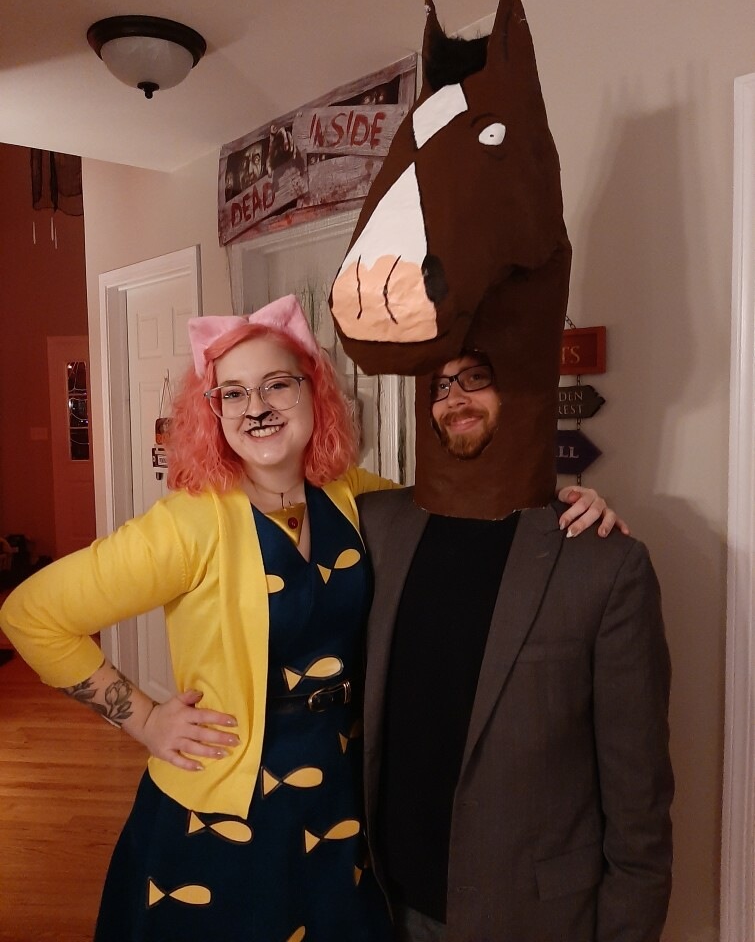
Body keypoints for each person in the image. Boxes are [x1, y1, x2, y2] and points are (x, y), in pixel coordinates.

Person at [0, 298, 621, 942]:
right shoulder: (190, 523)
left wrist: (557, 506)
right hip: (222, 811)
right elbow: (31, 614)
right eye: (232, 393)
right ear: (212, 414)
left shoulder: (356, 496)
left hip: (340, 798)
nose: (256, 407)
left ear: (313, 392)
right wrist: (145, 718)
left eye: (276, 384)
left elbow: (466, 518)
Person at [357, 350, 674, 942]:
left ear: (523, 391)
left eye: (478, 377)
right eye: (441, 385)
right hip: (384, 904)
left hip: (531, 917)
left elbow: (640, 799)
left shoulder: (602, 562)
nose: (455, 398)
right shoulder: (375, 526)